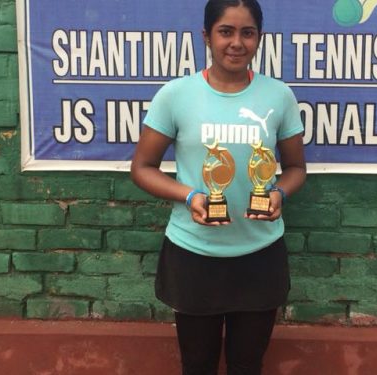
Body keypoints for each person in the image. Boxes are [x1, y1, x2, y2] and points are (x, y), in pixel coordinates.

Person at [130, 0, 306, 373]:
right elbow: (143, 168)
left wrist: (279, 193)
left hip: (260, 253)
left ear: (259, 38)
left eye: (248, 32)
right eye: (226, 31)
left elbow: (295, 168)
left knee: (247, 364)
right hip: (194, 254)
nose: (236, 43)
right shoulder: (176, 95)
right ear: (206, 36)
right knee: (197, 364)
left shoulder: (279, 96)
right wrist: (191, 195)